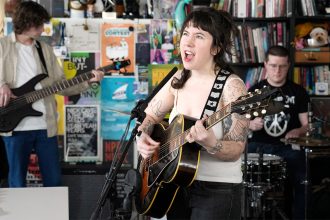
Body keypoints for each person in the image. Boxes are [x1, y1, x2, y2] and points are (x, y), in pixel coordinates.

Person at [136, 8, 249, 219]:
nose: (187, 42)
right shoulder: (178, 79)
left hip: (217, 190)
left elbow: (236, 148)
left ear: (216, 47)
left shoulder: (232, 86)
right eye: (186, 33)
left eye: (199, 36)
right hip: (175, 185)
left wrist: (211, 143)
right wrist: (142, 136)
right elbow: (149, 117)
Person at [0, 1, 104, 187]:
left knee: (54, 181)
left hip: (45, 127)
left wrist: (89, 81)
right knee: (16, 182)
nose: (43, 28)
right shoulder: (2, 46)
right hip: (14, 128)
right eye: (39, 24)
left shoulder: (45, 50)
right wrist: (1, 84)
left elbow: (60, 85)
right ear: (27, 23)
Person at [248, 45, 309, 219]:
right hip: (258, 147)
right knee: (238, 174)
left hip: (288, 148)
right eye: (273, 65)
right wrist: (250, 124)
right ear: (266, 65)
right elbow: (239, 123)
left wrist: (299, 130)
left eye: (282, 66)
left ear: (288, 65)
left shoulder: (298, 92)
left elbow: (307, 126)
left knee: (303, 180)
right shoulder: (255, 91)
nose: (277, 70)